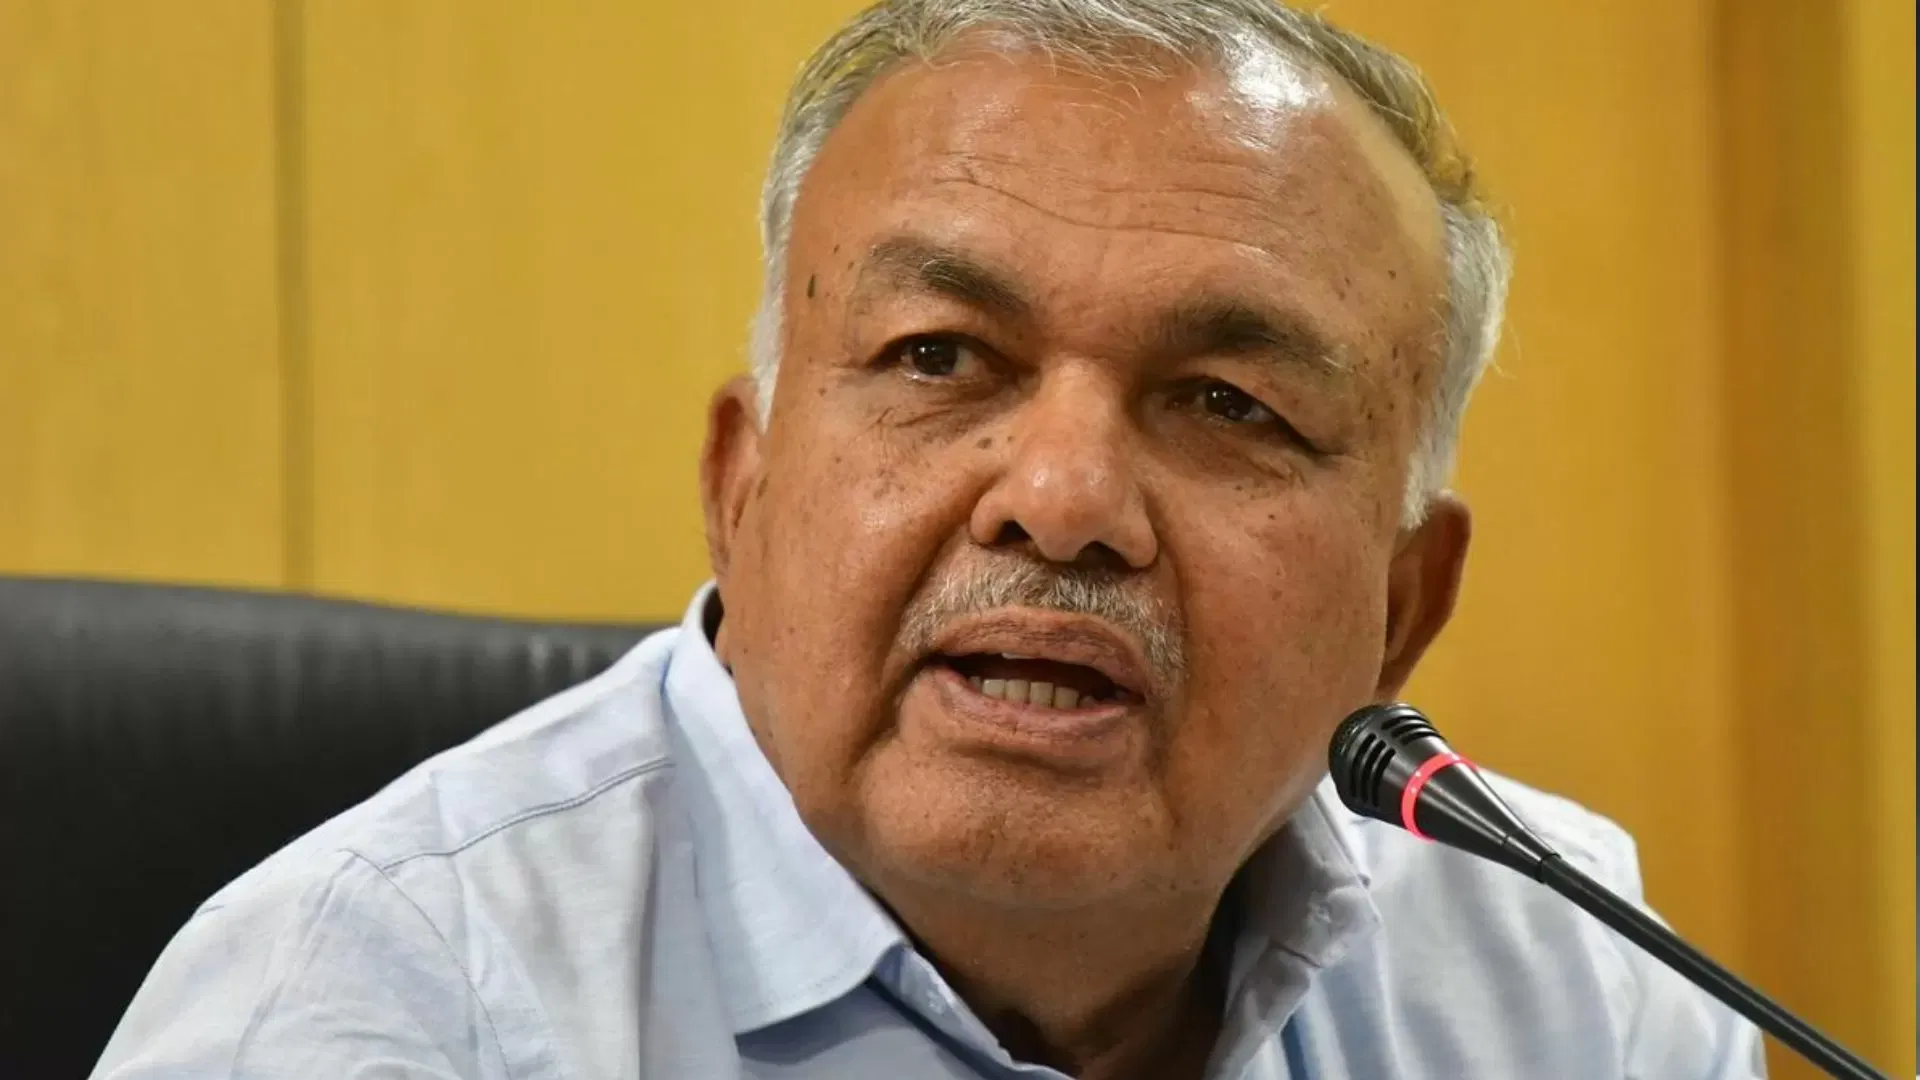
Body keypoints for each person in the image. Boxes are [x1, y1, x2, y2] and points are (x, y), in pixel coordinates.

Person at [94, 2, 1764, 1078]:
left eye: (1228, 404)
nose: (1064, 500)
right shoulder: (379, 1009)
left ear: (1402, 607)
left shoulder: (1570, 986)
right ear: (743, 490)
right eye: (940, 358)